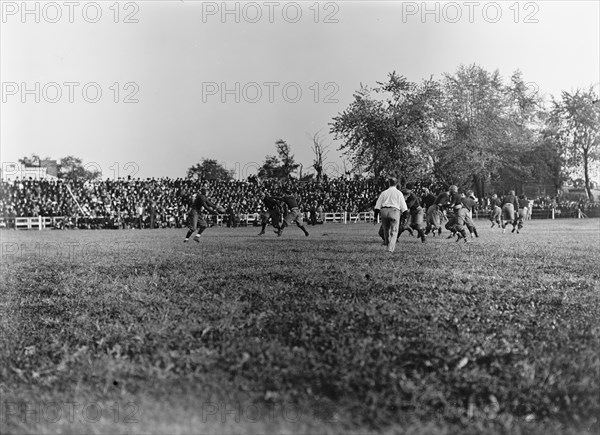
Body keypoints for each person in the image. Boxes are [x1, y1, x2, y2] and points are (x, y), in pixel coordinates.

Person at [374, 177, 408, 253]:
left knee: (386, 230)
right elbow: (404, 206)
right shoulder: (399, 193)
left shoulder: (384, 193)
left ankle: (387, 242)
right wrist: (405, 216)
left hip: (384, 211)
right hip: (394, 211)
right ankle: (390, 248)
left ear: (389, 183)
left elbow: (377, 205)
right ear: (396, 184)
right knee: (394, 230)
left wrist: (375, 216)